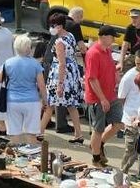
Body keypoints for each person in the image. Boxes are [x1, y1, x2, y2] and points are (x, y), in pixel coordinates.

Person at [42, 11, 84, 144]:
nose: (51, 28)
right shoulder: (70, 35)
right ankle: (78, 134)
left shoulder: (59, 41)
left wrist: (60, 84)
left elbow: (61, 63)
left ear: (59, 26)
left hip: (60, 75)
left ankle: (39, 132)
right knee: (71, 105)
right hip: (72, 73)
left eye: (52, 25)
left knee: (49, 104)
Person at [85, 25, 123, 166]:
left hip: (111, 95)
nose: (114, 40)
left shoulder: (107, 51)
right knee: (98, 129)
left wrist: (117, 77)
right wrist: (102, 99)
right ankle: (96, 159)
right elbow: (92, 79)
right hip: (98, 98)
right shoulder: (93, 53)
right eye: (112, 37)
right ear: (104, 37)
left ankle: (98, 145)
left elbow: (111, 70)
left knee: (119, 123)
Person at [0, 34, 46, 145]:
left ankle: (15, 157)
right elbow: (41, 85)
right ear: (29, 48)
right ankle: (33, 157)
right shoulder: (35, 64)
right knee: (31, 134)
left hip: (12, 101)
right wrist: (45, 100)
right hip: (32, 102)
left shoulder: (9, 63)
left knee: (15, 134)